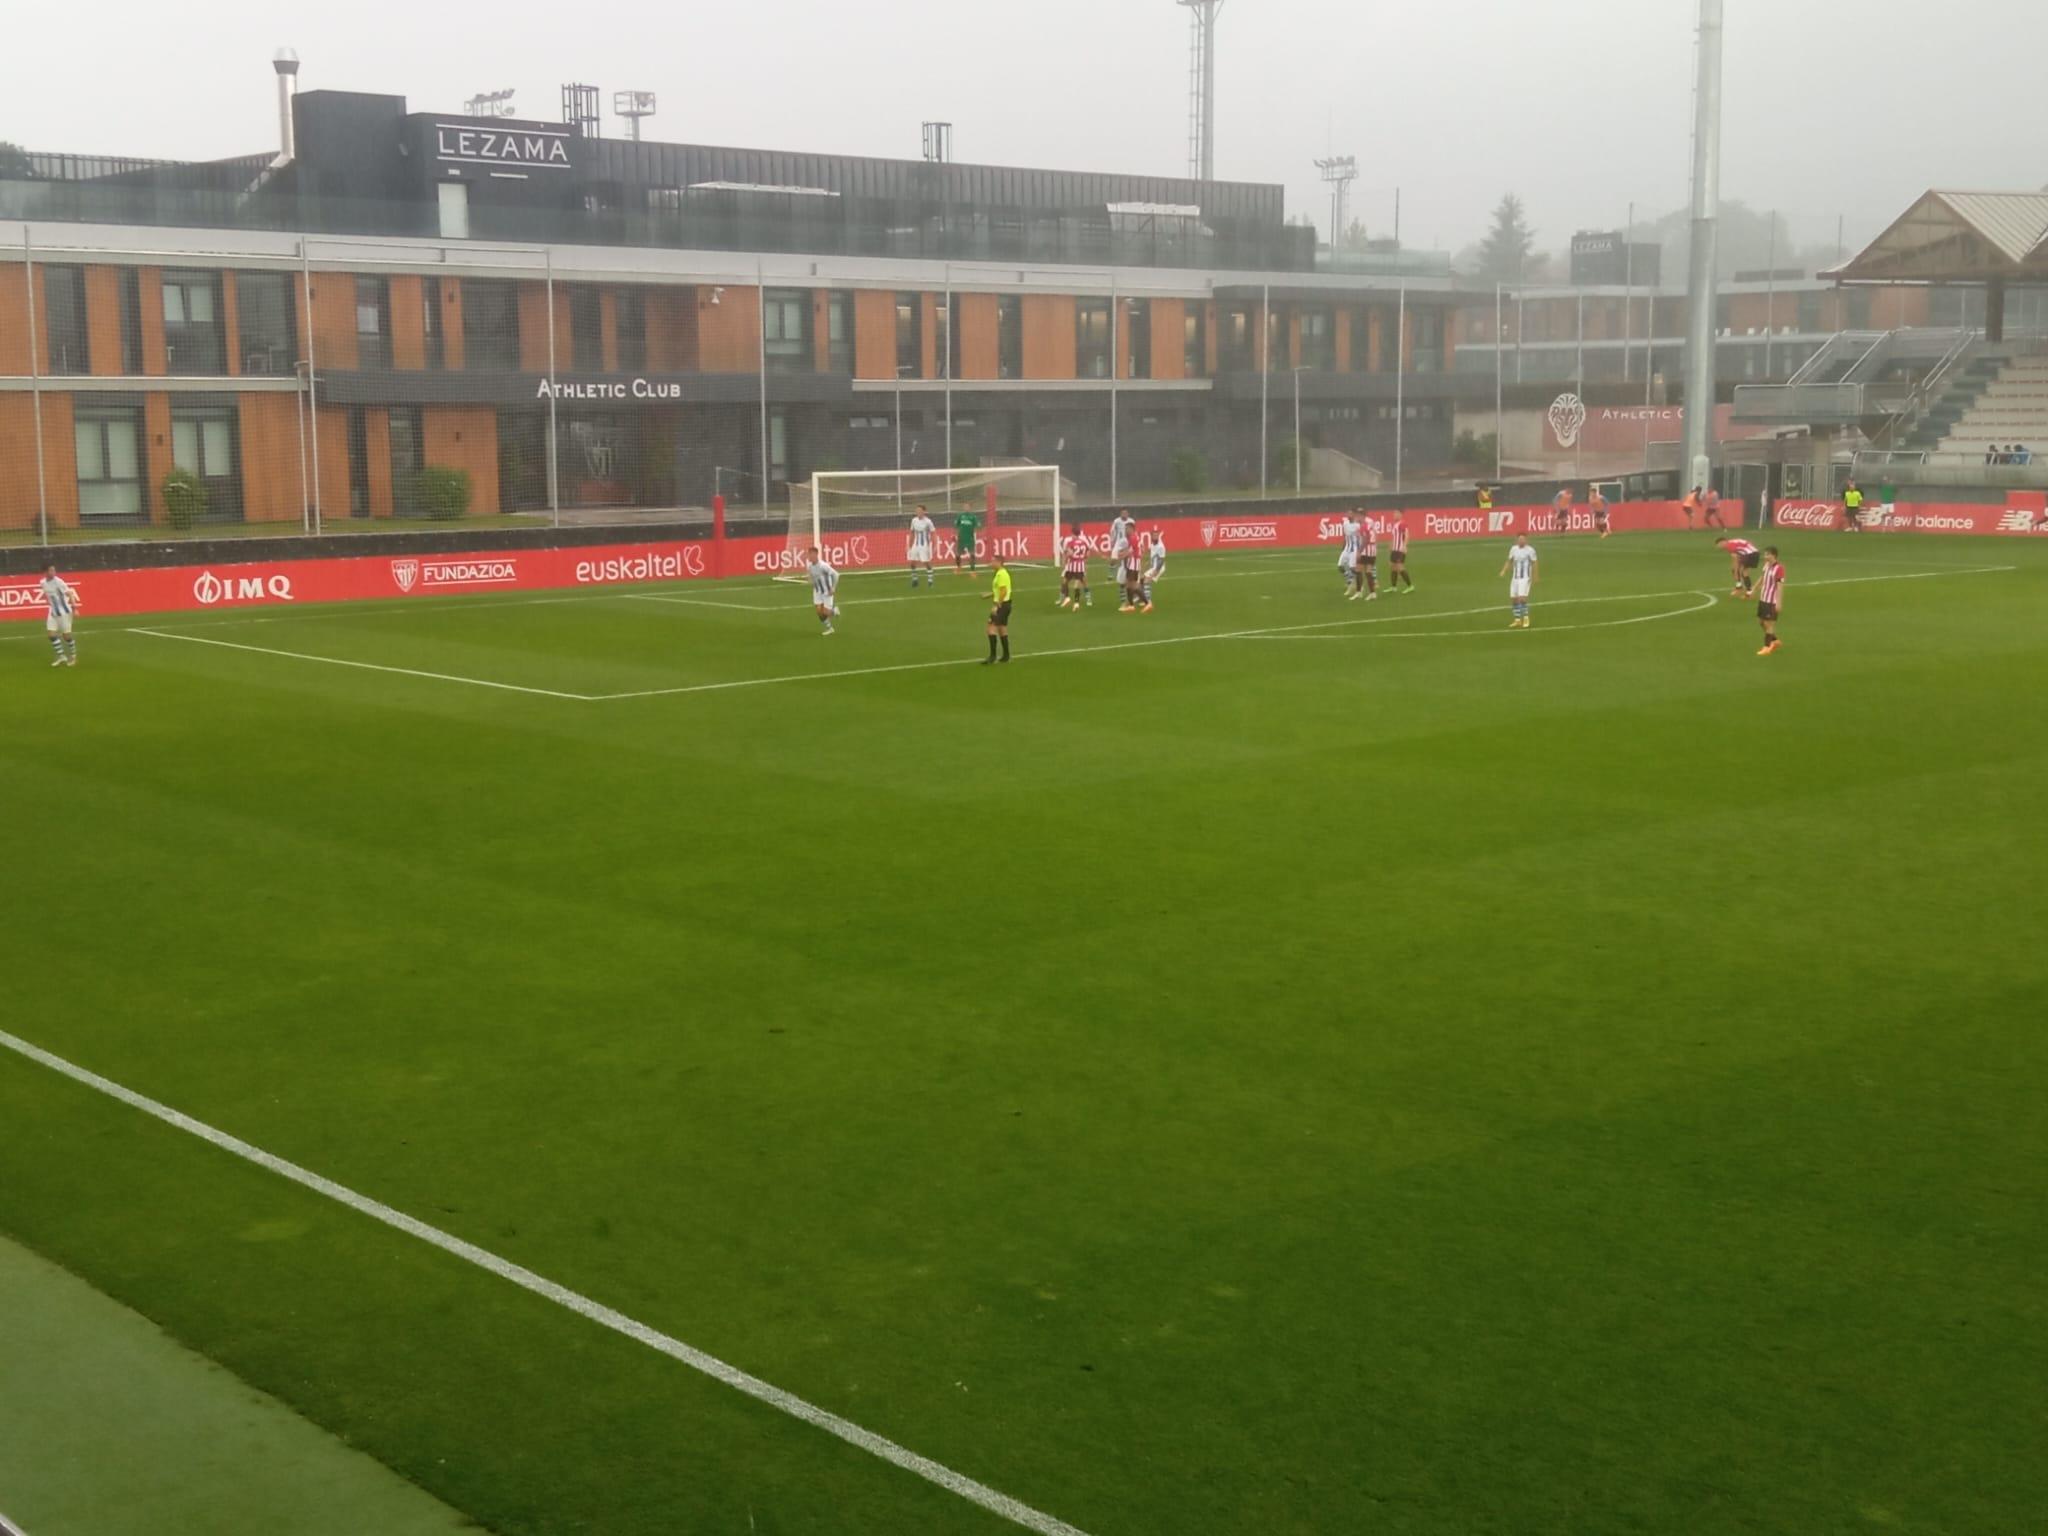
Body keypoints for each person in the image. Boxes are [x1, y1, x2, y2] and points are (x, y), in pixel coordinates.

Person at [41, 563, 81, 667]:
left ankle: (73, 656)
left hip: (64, 612)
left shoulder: (59, 582)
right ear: (45, 572)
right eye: (51, 570)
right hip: (53, 611)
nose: (53, 572)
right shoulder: (42, 582)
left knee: (66, 636)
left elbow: (70, 594)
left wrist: (74, 608)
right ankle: (61, 656)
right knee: (51, 635)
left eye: (54, 570)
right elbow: (48, 595)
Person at [1500, 535, 1538, 628]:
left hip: (1525, 578)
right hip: (1515, 578)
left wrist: (1535, 576)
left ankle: (1525, 618)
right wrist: (1504, 570)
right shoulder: (1513, 549)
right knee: (1514, 599)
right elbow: (1509, 560)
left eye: (1523, 539)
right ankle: (1517, 620)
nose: (1521, 541)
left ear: (1526, 540)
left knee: (1522, 599)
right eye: (1520, 539)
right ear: (1517, 540)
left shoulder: (1530, 550)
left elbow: (1534, 563)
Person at [982, 556, 1014, 664]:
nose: (991, 563)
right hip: (1005, 604)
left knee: (990, 628)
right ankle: (1006, 655)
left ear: (999, 562)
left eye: (992, 561)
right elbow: (1000, 590)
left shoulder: (1002, 574)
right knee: (1002, 628)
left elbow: (1004, 591)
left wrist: (997, 605)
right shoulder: (1000, 573)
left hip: (1002, 605)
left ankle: (992, 656)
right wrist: (990, 594)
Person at [1755, 547, 1786, 656]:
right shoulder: (1766, 565)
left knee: (1769, 624)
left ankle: (1767, 647)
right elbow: (1762, 578)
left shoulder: (1779, 568)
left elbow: (1780, 586)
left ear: (1774, 555)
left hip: (1771, 601)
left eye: (1767, 554)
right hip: (1763, 599)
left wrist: (1779, 602)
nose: (1765, 556)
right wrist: (1754, 589)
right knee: (1761, 622)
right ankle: (1775, 641)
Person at [807, 547, 840, 635]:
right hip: (817, 592)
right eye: (808, 554)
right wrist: (810, 580)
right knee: (819, 611)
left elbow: (836, 575)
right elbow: (811, 576)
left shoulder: (823, 566)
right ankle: (829, 628)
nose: (809, 556)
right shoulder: (809, 566)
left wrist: (833, 588)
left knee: (826, 612)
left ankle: (834, 611)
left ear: (815, 554)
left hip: (827, 592)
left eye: (810, 554)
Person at [1058, 527, 1091, 610]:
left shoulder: (1071, 543)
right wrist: (1083, 559)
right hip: (1080, 566)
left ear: (1072, 534)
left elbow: (1070, 553)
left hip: (1072, 565)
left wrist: (1065, 561)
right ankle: (1076, 603)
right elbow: (1087, 554)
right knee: (1077, 584)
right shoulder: (1084, 543)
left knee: (1065, 581)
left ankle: (1067, 597)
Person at [907, 504, 937, 588]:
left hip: (924, 546)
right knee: (912, 563)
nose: (918, 512)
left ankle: (930, 581)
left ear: (924, 511)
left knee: (926, 563)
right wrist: (909, 545)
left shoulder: (928, 521)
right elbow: (912, 533)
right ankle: (915, 579)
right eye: (917, 511)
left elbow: (933, 533)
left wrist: (935, 545)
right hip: (915, 545)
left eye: (920, 510)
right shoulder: (914, 520)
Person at [1338, 510, 1363, 600]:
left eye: (1350, 513)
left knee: (1353, 568)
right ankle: (1351, 582)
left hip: (1354, 550)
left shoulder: (1357, 525)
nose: (1348, 515)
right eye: (1347, 513)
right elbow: (1345, 536)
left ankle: (1359, 586)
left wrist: (1360, 551)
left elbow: (1360, 538)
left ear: (1354, 515)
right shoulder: (1345, 523)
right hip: (1346, 549)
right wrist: (1343, 547)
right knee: (1340, 567)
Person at [1141, 526, 1166, 613]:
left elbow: (1162, 560)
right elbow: (1152, 556)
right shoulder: (1152, 544)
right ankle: (1143, 598)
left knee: (1147, 581)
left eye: (1156, 535)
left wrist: (1156, 571)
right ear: (1151, 536)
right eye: (1153, 535)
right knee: (1142, 579)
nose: (1155, 536)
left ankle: (1148, 603)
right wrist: (1147, 563)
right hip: (1153, 566)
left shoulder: (1161, 546)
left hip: (1159, 567)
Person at [952, 504, 983, 573]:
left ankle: (973, 570)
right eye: (965, 507)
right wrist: (953, 534)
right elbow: (955, 525)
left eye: (968, 507)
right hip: (961, 538)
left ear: (970, 508)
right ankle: (959, 567)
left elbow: (978, 526)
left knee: (972, 554)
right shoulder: (960, 516)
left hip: (970, 538)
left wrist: (981, 535)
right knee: (957, 554)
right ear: (963, 508)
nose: (966, 508)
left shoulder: (973, 517)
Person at [1117, 536, 1144, 612]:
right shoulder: (1125, 541)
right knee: (1125, 584)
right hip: (1127, 566)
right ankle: (1140, 599)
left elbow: (1140, 553)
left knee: (1130, 585)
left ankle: (1127, 604)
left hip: (1131, 566)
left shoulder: (1135, 541)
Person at [1387, 515, 1413, 592]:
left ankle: (1410, 586)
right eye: (1394, 513)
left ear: (1400, 514)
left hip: (1400, 549)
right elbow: (1394, 537)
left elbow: (1407, 535)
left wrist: (1404, 546)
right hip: (1394, 549)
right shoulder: (1395, 525)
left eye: (1396, 513)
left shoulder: (1402, 524)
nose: (1394, 515)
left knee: (1400, 567)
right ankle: (1394, 587)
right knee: (1393, 567)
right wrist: (1391, 545)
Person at [1358, 515, 1381, 602]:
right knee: (1368, 572)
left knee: (1362, 571)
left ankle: (1362, 591)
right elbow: (1375, 536)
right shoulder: (1371, 526)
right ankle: (1372, 593)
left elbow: (1365, 539)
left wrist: (1359, 551)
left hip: (1366, 551)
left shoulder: (1364, 526)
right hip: (1372, 551)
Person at [1108, 508, 1136, 575]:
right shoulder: (1116, 521)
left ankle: (1126, 573)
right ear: (1120, 514)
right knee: (1113, 558)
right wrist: (1112, 541)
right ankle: (1111, 573)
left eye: (1125, 513)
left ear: (1128, 514)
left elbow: (1134, 532)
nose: (1124, 514)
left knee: (1127, 559)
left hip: (1128, 542)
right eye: (1123, 513)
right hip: (1119, 542)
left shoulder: (1131, 521)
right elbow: (1112, 531)